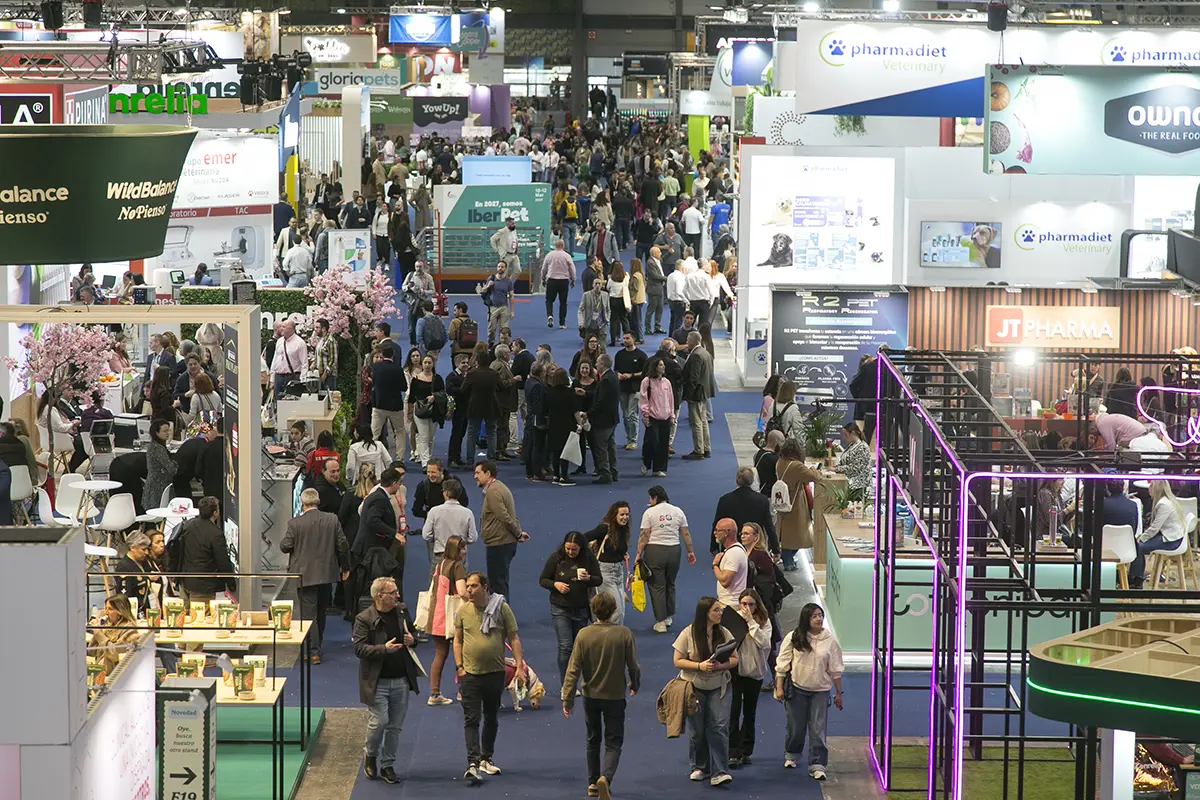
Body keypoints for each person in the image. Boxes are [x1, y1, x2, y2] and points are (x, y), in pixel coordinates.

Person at [562, 592, 641, 800]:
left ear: (593, 610)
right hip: (615, 696)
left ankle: (591, 783)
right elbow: (633, 665)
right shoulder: (624, 633)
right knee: (614, 741)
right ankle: (605, 778)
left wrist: (567, 698)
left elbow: (573, 669)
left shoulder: (583, 635)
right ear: (614, 610)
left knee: (592, 738)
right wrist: (635, 683)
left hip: (590, 696)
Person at [454, 571, 525, 784]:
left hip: (495, 674)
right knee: (471, 718)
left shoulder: (501, 608)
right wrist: (459, 667)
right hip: (470, 675)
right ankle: (472, 763)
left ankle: (486, 758)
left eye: (473, 586)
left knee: (492, 717)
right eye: (468, 586)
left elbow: (513, 638)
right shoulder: (463, 611)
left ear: (485, 587)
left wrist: (519, 665)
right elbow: (457, 641)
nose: (469, 590)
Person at [353, 576, 420, 784]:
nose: (397, 595)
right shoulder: (364, 619)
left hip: (401, 678)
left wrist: (413, 640)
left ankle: (388, 765)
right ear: (379, 596)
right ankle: (370, 753)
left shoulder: (401, 611)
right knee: (379, 721)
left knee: (395, 726)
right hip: (377, 681)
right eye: (393, 593)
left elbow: (413, 633)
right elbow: (359, 649)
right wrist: (384, 649)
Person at [775, 603, 844, 780]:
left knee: (818, 729)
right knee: (795, 727)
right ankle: (791, 754)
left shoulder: (830, 641)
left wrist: (838, 693)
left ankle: (818, 764)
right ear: (806, 618)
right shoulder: (794, 637)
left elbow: (835, 669)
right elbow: (782, 664)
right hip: (797, 690)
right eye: (814, 616)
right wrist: (779, 687)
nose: (819, 618)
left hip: (820, 692)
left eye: (820, 615)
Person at [673, 596, 737, 787]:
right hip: (693, 687)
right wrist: (699, 666)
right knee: (697, 730)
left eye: (720, 610)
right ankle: (699, 767)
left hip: (719, 686)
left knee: (718, 727)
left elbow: (735, 659)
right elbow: (677, 660)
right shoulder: (688, 633)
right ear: (705, 613)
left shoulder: (724, 633)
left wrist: (720, 665)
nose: (720, 613)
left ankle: (720, 770)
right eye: (716, 610)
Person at [282, 488, 349, 664]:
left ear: (303, 503)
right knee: (321, 611)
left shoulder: (295, 523)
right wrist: (345, 566)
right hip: (327, 573)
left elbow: (285, 545)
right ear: (317, 501)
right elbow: (343, 545)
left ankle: (311, 651)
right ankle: (316, 647)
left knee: (307, 614)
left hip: (304, 575)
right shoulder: (332, 519)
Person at [540, 531, 603, 681]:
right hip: (560, 608)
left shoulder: (588, 558)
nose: (570, 552)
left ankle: (577, 680)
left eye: (574, 549)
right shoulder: (557, 558)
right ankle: (566, 683)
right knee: (565, 646)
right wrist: (555, 584)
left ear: (581, 547)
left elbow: (598, 579)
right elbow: (543, 579)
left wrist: (588, 578)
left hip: (581, 609)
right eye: (568, 548)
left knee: (578, 648)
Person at [636, 486, 696, 633]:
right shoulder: (678, 511)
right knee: (670, 583)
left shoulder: (649, 512)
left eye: (650, 498)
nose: (649, 501)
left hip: (655, 550)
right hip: (674, 550)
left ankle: (660, 621)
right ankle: (668, 616)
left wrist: (639, 553)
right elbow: (686, 534)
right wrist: (690, 551)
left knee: (657, 586)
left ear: (655, 498)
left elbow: (644, 535)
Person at [729, 588, 772, 768]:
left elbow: (764, 643)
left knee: (749, 713)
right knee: (733, 712)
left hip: (755, 673)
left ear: (757, 605)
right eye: (744, 603)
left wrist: (751, 623)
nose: (747, 607)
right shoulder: (733, 619)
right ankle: (732, 751)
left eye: (751, 604)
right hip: (735, 672)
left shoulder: (764, 622)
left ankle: (746, 750)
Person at [167, 496, 236, 606]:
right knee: (200, 619)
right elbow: (222, 561)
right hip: (203, 586)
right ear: (215, 512)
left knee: (185, 617)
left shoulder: (188, 524)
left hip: (185, 580)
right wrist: (231, 583)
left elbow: (177, 550)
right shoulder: (215, 534)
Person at [426, 534, 469, 706]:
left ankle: (434, 694)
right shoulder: (458, 567)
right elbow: (462, 592)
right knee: (464, 655)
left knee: (439, 655)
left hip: (437, 617)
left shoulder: (440, 565)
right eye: (462, 549)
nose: (465, 552)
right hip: (453, 619)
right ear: (456, 550)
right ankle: (463, 692)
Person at [475, 460, 528, 599]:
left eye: (478, 473)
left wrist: (518, 534)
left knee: (497, 586)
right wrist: (519, 532)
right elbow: (510, 515)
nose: (475, 476)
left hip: (499, 543)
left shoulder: (493, 491)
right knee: (500, 582)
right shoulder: (499, 487)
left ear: (488, 473)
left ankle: (501, 618)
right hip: (503, 542)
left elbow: (504, 516)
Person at [775, 439, 824, 571]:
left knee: (786, 533)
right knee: (796, 534)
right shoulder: (796, 466)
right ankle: (788, 561)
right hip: (795, 503)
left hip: (783, 501)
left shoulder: (780, 462)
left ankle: (787, 559)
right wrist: (815, 469)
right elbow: (815, 477)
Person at [1130, 480, 1189, 587]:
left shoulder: (1163, 504)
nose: (1149, 489)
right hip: (1171, 536)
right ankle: (1136, 578)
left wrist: (1142, 537)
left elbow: (1154, 528)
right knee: (1139, 546)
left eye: (1151, 486)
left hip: (1172, 540)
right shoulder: (1168, 501)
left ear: (1157, 488)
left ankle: (1135, 581)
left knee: (1138, 547)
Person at [585, 501, 632, 626]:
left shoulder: (623, 530)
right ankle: (609, 635)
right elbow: (583, 538)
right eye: (622, 514)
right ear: (614, 515)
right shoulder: (604, 529)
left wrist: (622, 555)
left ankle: (610, 635)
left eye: (627, 514)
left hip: (618, 573)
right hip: (605, 573)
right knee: (617, 611)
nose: (625, 517)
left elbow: (616, 549)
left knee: (620, 610)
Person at [712, 467, 779, 554]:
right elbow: (769, 526)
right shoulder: (762, 500)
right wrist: (775, 549)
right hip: (754, 544)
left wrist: (713, 545)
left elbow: (717, 524)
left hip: (732, 544)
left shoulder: (725, 500)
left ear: (737, 481)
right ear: (751, 481)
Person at [370, 343, 409, 462]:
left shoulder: (376, 367)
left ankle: (373, 456)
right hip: (395, 406)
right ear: (393, 355)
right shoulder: (398, 369)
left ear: (382, 354)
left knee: (375, 433)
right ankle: (399, 458)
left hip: (379, 404)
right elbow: (404, 387)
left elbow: (374, 383)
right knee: (400, 432)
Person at [89, 594, 143, 673]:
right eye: (105, 608)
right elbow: (92, 652)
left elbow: (114, 654)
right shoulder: (107, 626)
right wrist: (97, 631)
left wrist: (99, 635)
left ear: (120, 611)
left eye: (110, 609)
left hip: (117, 675)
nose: (106, 612)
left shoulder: (130, 631)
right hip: (101, 671)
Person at [681, 331, 714, 460]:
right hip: (705, 392)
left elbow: (693, 377)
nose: (686, 342)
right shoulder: (706, 353)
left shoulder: (695, 355)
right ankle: (706, 448)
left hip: (696, 393)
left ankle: (698, 450)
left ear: (694, 341)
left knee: (696, 422)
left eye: (688, 340)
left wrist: (688, 395)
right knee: (703, 420)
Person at [589, 354, 621, 485]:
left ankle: (605, 473)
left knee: (601, 447)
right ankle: (613, 472)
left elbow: (601, 402)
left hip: (604, 420)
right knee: (611, 447)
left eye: (597, 362)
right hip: (612, 419)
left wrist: (588, 413)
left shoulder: (605, 380)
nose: (595, 365)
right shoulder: (613, 377)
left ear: (602, 364)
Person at [711, 518, 748, 610]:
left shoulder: (733, 553)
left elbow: (725, 581)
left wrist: (715, 565)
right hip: (729, 602)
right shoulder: (735, 550)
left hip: (730, 605)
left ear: (726, 532)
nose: (714, 533)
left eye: (717, 530)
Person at [142, 419, 177, 511]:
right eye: (165, 431)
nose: (168, 433)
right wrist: (175, 463)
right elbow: (172, 469)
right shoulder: (158, 449)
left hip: (157, 485)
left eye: (168, 430)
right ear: (156, 433)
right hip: (158, 488)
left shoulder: (156, 446)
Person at [541, 239, 577, 329]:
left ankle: (550, 315)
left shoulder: (549, 255)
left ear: (554, 246)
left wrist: (543, 278)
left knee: (549, 300)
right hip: (563, 281)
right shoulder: (567, 256)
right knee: (563, 303)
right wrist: (573, 279)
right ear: (563, 246)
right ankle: (562, 323)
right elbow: (572, 269)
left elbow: (544, 268)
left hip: (552, 280)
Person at [113, 531, 153, 612]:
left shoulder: (141, 562)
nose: (146, 553)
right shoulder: (124, 567)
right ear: (132, 548)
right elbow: (123, 597)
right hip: (133, 612)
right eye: (143, 549)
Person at [270, 319, 308, 402]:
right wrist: (272, 379)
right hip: (278, 377)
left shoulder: (300, 343)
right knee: (277, 403)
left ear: (290, 329)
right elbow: (275, 360)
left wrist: (302, 381)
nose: (281, 329)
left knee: (291, 405)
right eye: (281, 326)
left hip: (292, 377)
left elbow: (304, 363)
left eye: (283, 327)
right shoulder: (279, 341)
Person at [834, 423, 873, 498]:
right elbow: (846, 461)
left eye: (846, 435)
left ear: (853, 433)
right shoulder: (852, 445)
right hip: (851, 484)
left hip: (859, 487)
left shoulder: (862, 447)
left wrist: (836, 469)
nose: (844, 438)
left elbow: (855, 468)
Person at [483, 262, 516, 347]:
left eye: (502, 267)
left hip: (504, 307)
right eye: (498, 266)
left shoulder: (508, 281)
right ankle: (491, 345)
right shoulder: (491, 278)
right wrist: (488, 286)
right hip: (493, 308)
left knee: (504, 330)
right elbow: (483, 291)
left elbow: (511, 296)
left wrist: (512, 311)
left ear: (505, 268)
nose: (500, 268)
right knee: (491, 330)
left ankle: (503, 347)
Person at [312, 318, 339, 393]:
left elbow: (333, 359)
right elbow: (319, 356)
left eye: (317, 327)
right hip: (319, 374)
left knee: (329, 397)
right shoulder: (320, 340)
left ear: (323, 328)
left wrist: (325, 374)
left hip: (329, 376)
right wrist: (313, 364)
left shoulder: (331, 341)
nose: (315, 329)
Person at [755, 430, 784, 500]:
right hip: (769, 494)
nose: (783, 445)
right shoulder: (774, 459)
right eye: (782, 442)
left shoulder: (759, 453)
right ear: (776, 442)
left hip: (760, 491)